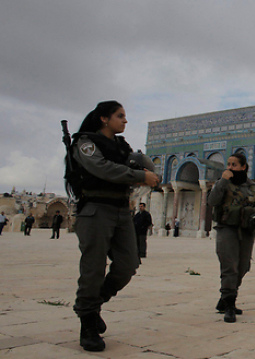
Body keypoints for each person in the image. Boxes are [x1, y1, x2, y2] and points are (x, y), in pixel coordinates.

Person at [67, 101, 159, 351]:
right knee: (94, 268)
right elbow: (100, 168)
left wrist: (144, 168)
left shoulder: (121, 147)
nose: (125, 121)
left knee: (128, 264)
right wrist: (141, 176)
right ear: (104, 119)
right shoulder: (86, 143)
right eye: (120, 116)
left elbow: (130, 165)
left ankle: (94, 303)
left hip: (120, 211)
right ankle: (87, 323)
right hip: (96, 210)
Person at [208, 153, 255, 323]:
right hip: (227, 229)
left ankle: (225, 298)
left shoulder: (252, 187)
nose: (230, 168)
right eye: (228, 164)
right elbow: (212, 200)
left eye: (234, 165)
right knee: (229, 266)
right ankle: (230, 304)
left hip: (246, 230)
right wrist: (223, 181)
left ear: (243, 167)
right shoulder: (222, 183)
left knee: (243, 266)